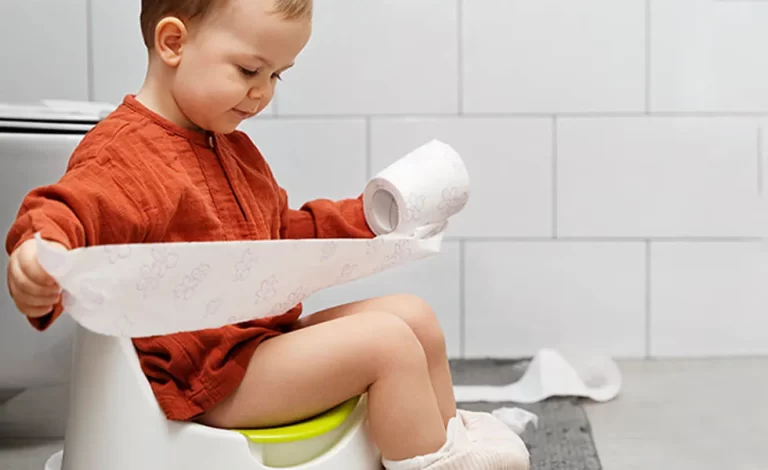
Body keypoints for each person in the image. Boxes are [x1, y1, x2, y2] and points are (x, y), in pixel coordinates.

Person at [4, 0, 529, 468]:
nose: (262, 94)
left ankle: (448, 445)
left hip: (255, 343)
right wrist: (38, 252)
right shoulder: (125, 153)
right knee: (387, 345)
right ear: (173, 43)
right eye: (250, 69)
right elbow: (67, 208)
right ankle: (428, 463)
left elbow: (284, 236)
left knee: (413, 316)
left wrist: (370, 218)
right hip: (203, 378)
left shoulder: (233, 149)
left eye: (278, 75)